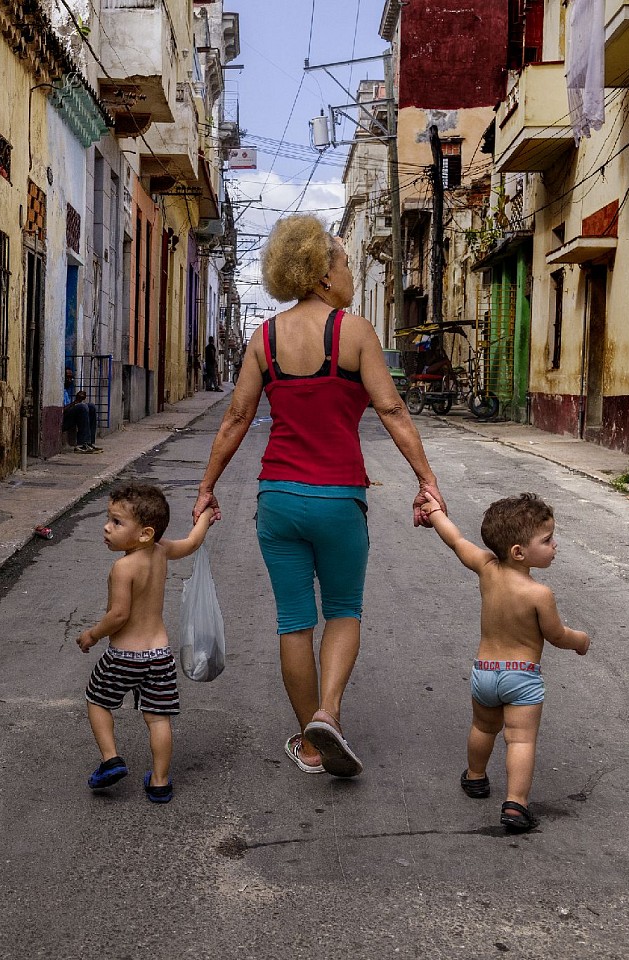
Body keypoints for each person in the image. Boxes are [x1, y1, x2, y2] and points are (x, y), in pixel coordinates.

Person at [191, 214, 445, 779]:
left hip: (278, 500)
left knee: (293, 622)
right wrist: (426, 479)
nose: (352, 272)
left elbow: (236, 418)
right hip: (338, 500)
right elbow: (393, 409)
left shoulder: (264, 338)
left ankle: (310, 742)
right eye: (346, 262)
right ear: (322, 274)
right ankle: (328, 713)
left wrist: (207, 486)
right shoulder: (353, 333)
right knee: (344, 610)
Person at [419, 491, 590, 833]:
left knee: (483, 727)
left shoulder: (486, 567)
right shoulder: (539, 594)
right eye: (548, 539)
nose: (555, 545)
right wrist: (580, 641)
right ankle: (516, 804)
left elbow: (455, 540)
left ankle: (476, 777)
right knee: (521, 740)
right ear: (519, 552)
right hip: (521, 679)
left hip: (484, 673)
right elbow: (556, 636)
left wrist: (434, 511)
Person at [77, 483, 214, 803]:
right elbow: (193, 542)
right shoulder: (162, 550)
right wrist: (206, 514)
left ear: (144, 533)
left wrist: (93, 634)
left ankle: (111, 759)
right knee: (157, 718)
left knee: (97, 701)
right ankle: (160, 782)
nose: (107, 528)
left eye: (117, 522)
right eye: (108, 519)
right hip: (159, 656)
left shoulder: (123, 567)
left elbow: (119, 615)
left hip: (123, 656)